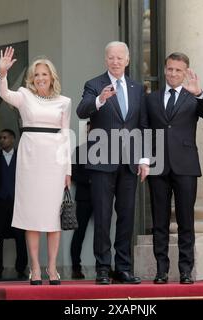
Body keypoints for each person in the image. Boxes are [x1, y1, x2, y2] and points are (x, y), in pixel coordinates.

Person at [77, 41, 149, 285]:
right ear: (105, 59)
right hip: (101, 161)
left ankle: (124, 268)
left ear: (127, 60)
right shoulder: (94, 84)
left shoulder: (137, 88)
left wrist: (144, 159)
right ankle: (103, 269)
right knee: (103, 217)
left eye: (120, 58)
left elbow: (142, 124)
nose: (116, 61)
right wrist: (99, 99)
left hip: (129, 162)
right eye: (111, 57)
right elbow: (81, 111)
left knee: (127, 216)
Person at [0, 47, 71, 285]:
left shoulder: (64, 102)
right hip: (30, 160)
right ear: (32, 78)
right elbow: (4, 94)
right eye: (36, 74)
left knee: (53, 218)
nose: (40, 78)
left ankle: (52, 267)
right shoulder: (24, 95)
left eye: (44, 74)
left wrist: (67, 170)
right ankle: (35, 268)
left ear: (52, 78)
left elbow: (66, 136)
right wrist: (2, 73)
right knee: (32, 215)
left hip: (55, 163)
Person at [145, 52, 203, 284]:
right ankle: (161, 271)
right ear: (165, 70)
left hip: (185, 166)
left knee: (186, 221)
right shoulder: (151, 98)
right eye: (170, 69)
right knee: (159, 222)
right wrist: (144, 159)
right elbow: (145, 130)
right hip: (158, 166)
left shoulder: (192, 96)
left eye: (178, 70)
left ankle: (186, 271)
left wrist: (200, 94)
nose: (173, 73)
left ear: (185, 73)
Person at [0, 129, 28, 280]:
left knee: (21, 238)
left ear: (12, 139)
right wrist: (0, 194)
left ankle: (21, 269)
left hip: (18, 205)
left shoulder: (22, 158)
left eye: (4, 137)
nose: (1, 140)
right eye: (0, 138)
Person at [70, 121, 92, 279]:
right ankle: (75, 268)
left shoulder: (107, 152)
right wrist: (91, 180)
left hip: (102, 197)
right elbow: (74, 174)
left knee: (103, 233)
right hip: (84, 197)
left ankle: (103, 266)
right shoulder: (79, 150)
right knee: (79, 233)